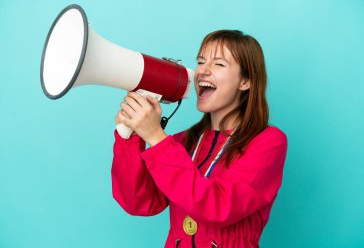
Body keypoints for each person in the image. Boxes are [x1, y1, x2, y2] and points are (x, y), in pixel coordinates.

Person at [111, 30, 288, 248]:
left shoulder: (268, 142)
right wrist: (129, 134)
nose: (202, 71)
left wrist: (156, 137)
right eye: (201, 61)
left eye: (219, 64)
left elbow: (218, 207)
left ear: (246, 81)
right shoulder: (181, 142)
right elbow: (140, 202)